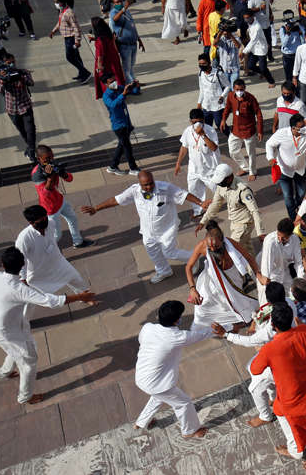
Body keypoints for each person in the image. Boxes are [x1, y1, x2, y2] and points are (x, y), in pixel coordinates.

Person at [0, 247, 95, 405]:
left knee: (16, 350)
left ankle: (4, 372)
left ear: (2, 264)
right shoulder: (19, 290)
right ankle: (25, 397)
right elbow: (50, 301)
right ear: (22, 265)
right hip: (9, 331)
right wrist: (80, 296)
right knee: (29, 363)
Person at [248, 303, 306, 471]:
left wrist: (263, 351)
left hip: (293, 399)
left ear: (273, 326)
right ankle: (295, 449)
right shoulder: (305, 332)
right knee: (279, 411)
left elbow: (255, 369)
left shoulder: (270, 348)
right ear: (292, 319)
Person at [81, 170, 208, 283]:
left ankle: (193, 258)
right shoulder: (134, 191)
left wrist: (201, 203)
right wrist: (96, 208)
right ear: (140, 184)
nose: (148, 187)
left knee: (169, 252)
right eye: (145, 185)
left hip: (167, 229)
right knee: (152, 252)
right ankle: (164, 271)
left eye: (150, 183)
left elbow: (184, 195)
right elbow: (116, 200)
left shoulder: (166, 188)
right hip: (148, 230)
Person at [133, 300, 212, 438]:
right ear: (177, 320)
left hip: (142, 376)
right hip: (157, 383)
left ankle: (141, 422)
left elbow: (142, 341)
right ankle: (190, 431)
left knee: (159, 397)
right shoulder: (177, 337)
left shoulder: (147, 327)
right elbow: (202, 334)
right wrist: (228, 327)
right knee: (183, 403)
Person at [15, 205, 92, 303]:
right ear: (31, 222)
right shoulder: (24, 238)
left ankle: (85, 297)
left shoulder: (51, 223)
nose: (45, 220)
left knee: (76, 279)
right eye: (41, 220)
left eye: (45, 217)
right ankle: (21, 317)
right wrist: (23, 278)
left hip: (58, 262)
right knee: (33, 299)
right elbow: (20, 259)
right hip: (38, 273)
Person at [30, 145, 92, 248]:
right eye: (47, 159)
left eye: (52, 157)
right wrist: (50, 178)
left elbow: (70, 179)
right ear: (39, 159)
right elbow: (44, 193)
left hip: (59, 200)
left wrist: (63, 173)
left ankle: (78, 242)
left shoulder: (53, 164)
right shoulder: (37, 174)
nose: (51, 160)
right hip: (50, 208)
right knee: (57, 235)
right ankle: (46, 251)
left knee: (72, 218)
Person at [175, 109, 220, 218]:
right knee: (193, 189)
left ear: (204, 120)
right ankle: (198, 210)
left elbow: (214, 148)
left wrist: (203, 135)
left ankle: (235, 200)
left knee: (218, 190)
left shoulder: (210, 131)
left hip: (209, 169)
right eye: (194, 122)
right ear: (190, 121)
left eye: (200, 121)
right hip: (194, 169)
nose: (197, 124)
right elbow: (184, 147)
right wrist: (178, 163)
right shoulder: (187, 131)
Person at [0, 53, 36, 161]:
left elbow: (31, 83)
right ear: (4, 64)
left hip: (25, 106)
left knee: (30, 130)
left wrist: (22, 78)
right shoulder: (0, 76)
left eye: (13, 62)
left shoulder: (22, 72)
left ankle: (31, 152)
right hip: (12, 109)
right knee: (23, 131)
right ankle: (31, 147)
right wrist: (3, 80)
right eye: (9, 63)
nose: (12, 64)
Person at [100, 74, 140, 174]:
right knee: (127, 147)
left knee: (122, 145)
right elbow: (113, 105)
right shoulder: (106, 96)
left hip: (126, 122)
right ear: (105, 84)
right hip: (118, 125)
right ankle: (133, 168)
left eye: (115, 80)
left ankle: (113, 166)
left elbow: (134, 92)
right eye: (111, 82)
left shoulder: (119, 88)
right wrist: (123, 94)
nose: (114, 83)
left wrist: (136, 87)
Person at [48, 0, 91, 82]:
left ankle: (85, 73)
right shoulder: (62, 11)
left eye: (57, 2)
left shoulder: (69, 13)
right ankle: (81, 73)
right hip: (67, 38)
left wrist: (77, 41)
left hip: (71, 39)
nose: (55, 4)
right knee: (76, 56)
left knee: (70, 57)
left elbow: (76, 27)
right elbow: (60, 22)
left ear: (61, 2)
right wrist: (53, 31)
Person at [109, 0, 144, 88]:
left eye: (120, 1)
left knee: (132, 66)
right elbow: (115, 19)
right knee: (126, 67)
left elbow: (132, 26)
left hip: (133, 43)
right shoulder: (114, 12)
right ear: (113, 4)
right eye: (117, 2)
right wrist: (124, 8)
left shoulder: (127, 12)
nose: (119, 3)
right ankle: (130, 85)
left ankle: (133, 82)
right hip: (124, 45)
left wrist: (139, 40)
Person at [89, 16, 125, 100]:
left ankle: (112, 96)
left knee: (106, 80)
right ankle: (121, 92)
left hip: (106, 62)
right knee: (117, 76)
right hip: (113, 58)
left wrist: (99, 66)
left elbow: (100, 54)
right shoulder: (108, 34)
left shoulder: (99, 41)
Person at [196, 52, 230, 129]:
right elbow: (202, 90)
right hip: (206, 105)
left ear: (209, 63)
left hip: (217, 105)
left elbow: (228, 86)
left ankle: (231, 138)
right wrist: (199, 103)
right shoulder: (200, 73)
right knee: (207, 127)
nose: (202, 66)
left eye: (204, 63)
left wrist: (222, 96)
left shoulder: (218, 73)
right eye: (200, 64)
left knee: (220, 125)